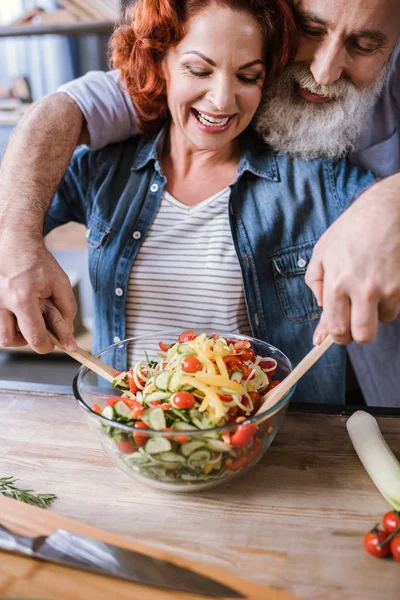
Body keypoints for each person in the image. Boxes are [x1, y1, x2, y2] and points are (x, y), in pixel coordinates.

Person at [0, 0, 398, 403]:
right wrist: (9, 269)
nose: (223, 101)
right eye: (199, 70)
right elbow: (12, 217)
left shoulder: (317, 178)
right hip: (134, 440)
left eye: (248, 76)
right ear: (159, 62)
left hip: (267, 442)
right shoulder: (103, 168)